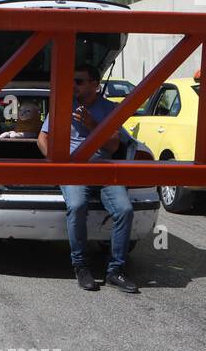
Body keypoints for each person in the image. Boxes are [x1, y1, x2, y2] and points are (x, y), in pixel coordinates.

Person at [37, 65, 139, 295]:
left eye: (79, 81)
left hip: (103, 169)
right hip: (72, 170)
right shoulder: (62, 106)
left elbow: (113, 146)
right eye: (72, 81)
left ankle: (116, 271)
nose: (73, 85)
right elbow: (42, 139)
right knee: (77, 206)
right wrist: (54, 161)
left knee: (125, 210)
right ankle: (81, 266)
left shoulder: (108, 108)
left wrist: (92, 124)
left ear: (95, 84)